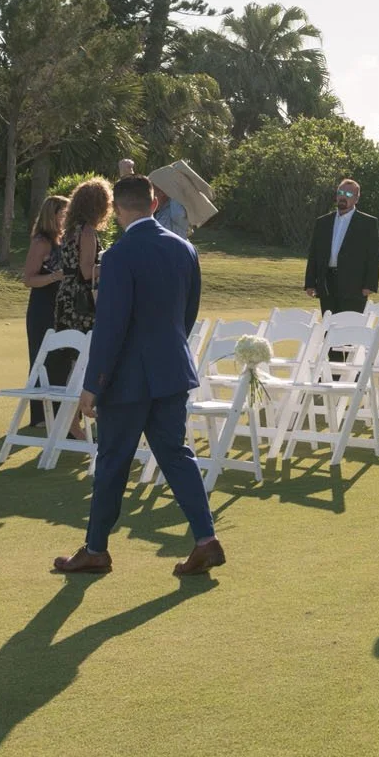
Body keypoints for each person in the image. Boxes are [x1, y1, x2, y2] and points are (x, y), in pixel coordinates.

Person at [53, 174, 223, 577]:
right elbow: (187, 314)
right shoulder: (185, 248)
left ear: (117, 210)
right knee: (176, 456)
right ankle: (206, 539)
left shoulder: (118, 255)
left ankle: (96, 549)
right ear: (154, 204)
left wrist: (93, 384)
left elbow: (110, 326)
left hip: (128, 378)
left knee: (112, 462)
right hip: (172, 370)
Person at [47, 178, 111, 443]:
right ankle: (72, 422)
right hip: (81, 301)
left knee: (77, 361)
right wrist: (112, 264)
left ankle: (71, 421)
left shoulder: (70, 229)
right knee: (86, 360)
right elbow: (86, 271)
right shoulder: (86, 232)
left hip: (66, 296)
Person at [19, 194, 71, 432]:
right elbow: (28, 279)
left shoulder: (64, 238)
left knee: (61, 358)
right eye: (63, 213)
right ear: (53, 215)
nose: (67, 217)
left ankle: (62, 413)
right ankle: (40, 416)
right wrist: (54, 277)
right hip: (43, 306)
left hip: (61, 306)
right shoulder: (41, 241)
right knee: (42, 358)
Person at [304, 178, 379, 316]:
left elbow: (374, 256)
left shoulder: (368, 223)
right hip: (327, 284)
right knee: (329, 324)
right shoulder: (323, 222)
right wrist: (310, 283)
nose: (343, 197)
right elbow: (314, 254)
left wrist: (370, 285)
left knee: (349, 325)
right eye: (340, 193)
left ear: (356, 199)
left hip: (355, 286)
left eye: (348, 194)